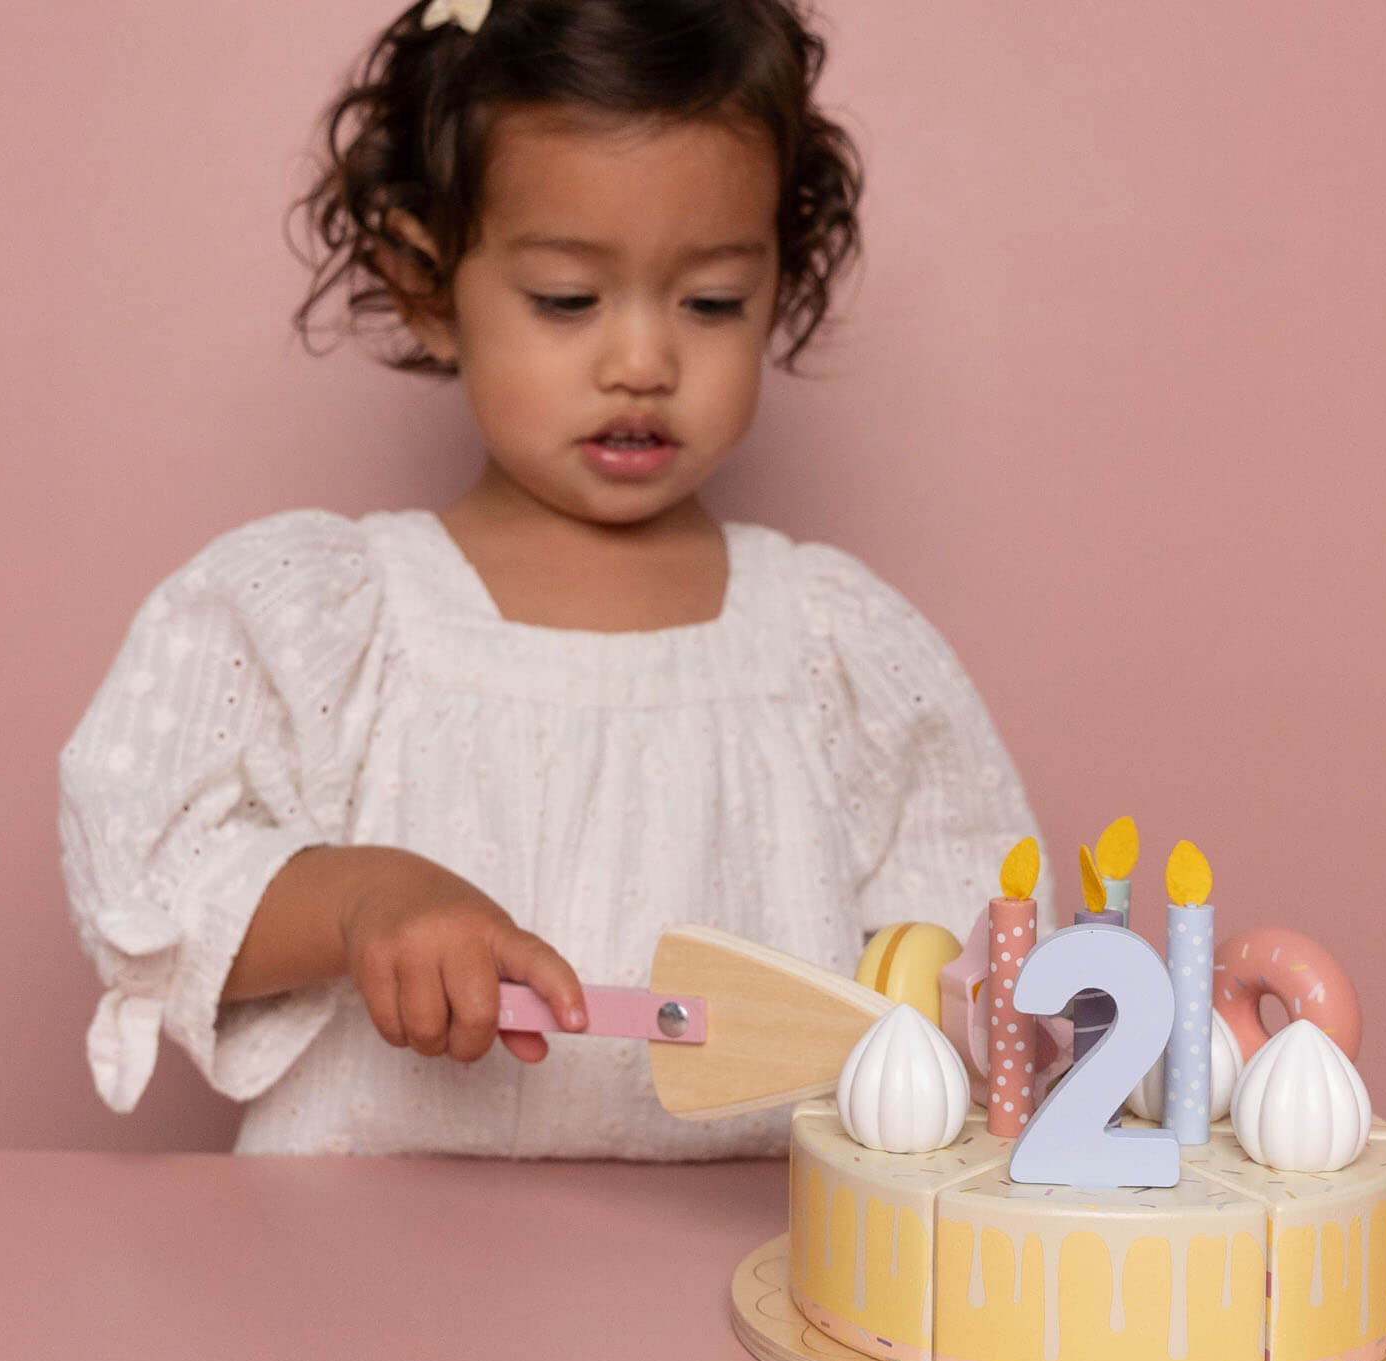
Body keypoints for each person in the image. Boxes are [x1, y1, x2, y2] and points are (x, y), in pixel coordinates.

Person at [58, 0, 1053, 1157]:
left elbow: (975, 949)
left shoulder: (838, 650)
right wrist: (362, 898)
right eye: (568, 300)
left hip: (742, 1282)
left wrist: (971, 1013)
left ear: (781, 280)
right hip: (363, 1280)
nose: (643, 361)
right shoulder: (329, 621)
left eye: (713, 302)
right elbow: (151, 879)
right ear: (429, 285)